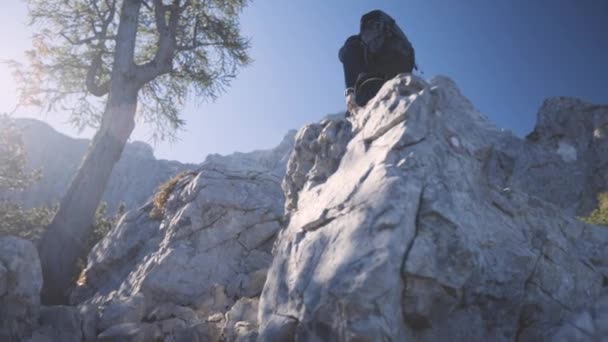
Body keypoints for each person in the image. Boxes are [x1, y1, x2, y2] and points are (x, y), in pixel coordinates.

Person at [339, 10, 417, 114]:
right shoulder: (390, 31)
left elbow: (349, 55)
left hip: (383, 69)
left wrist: (350, 91)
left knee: (361, 99)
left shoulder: (353, 43)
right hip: (405, 63)